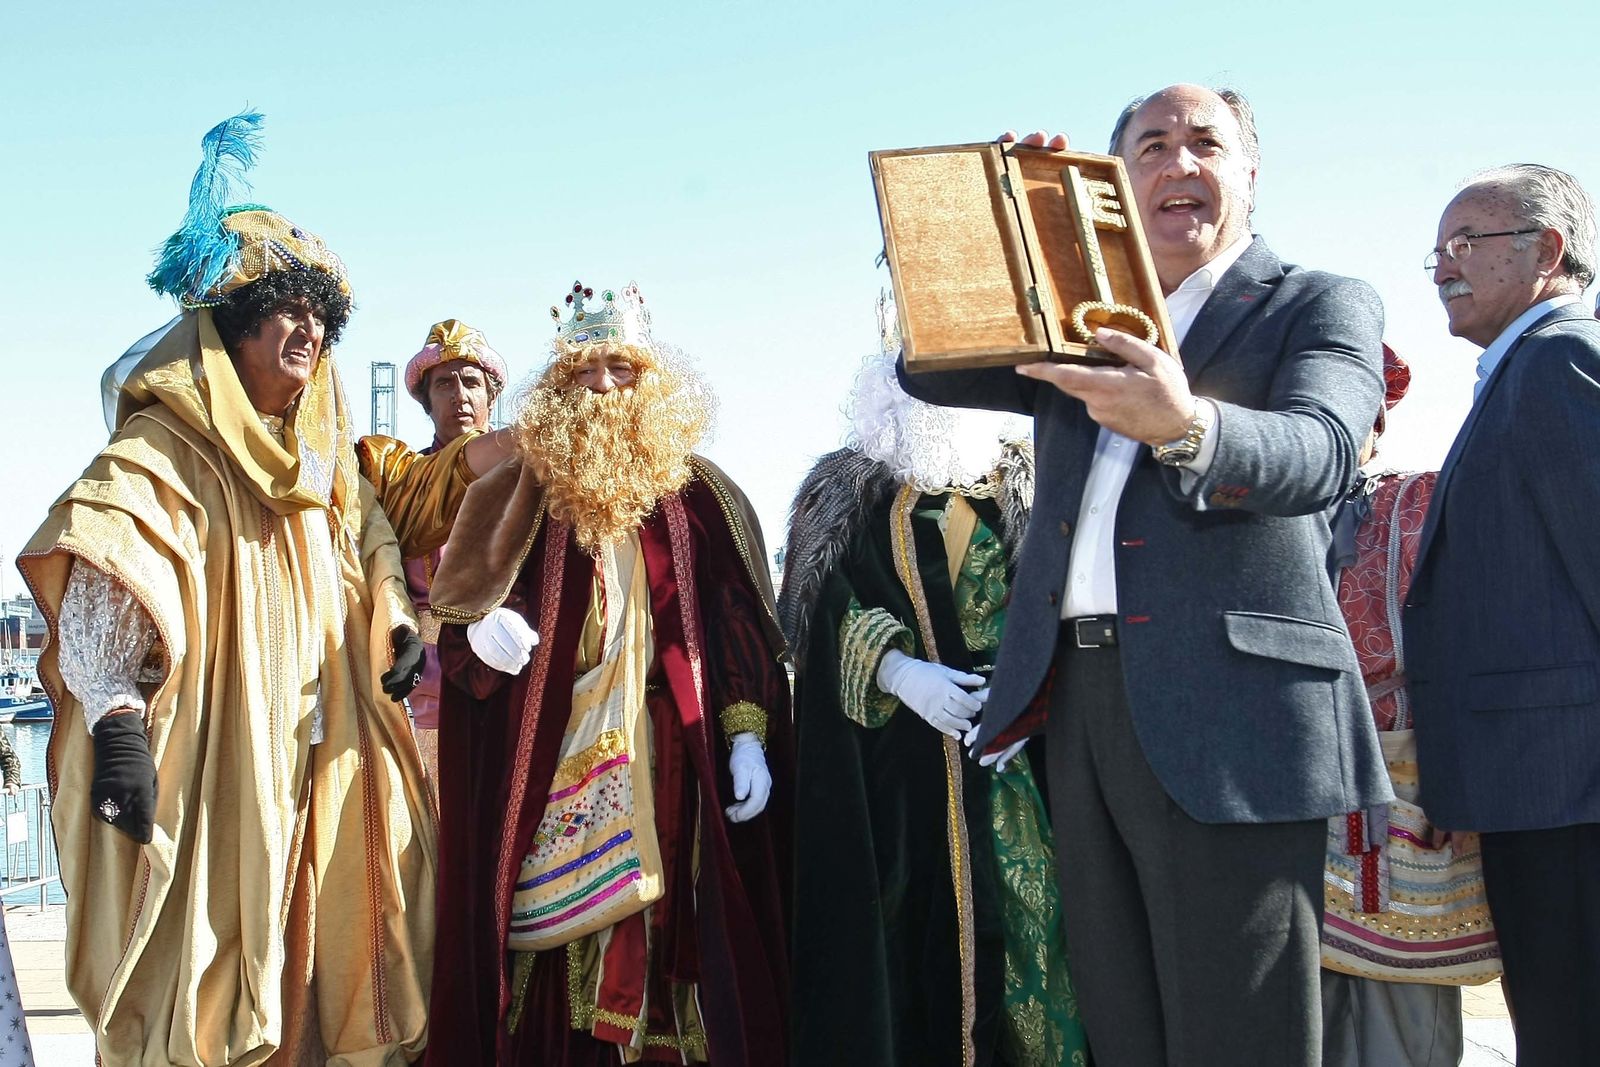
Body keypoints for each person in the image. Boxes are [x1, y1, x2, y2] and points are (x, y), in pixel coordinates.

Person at [897, 84, 1392, 1064]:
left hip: (1233, 718)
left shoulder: (1315, 301)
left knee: (1238, 1029)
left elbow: (1322, 450)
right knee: (1120, 1018)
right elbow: (931, 367)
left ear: (1249, 170)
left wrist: (1186, 423)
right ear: (1113, 186)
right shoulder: (1077, 318)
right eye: (1151, 146)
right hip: (1081, 699)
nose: (1180, 162)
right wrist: (992, 219)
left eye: (1205, 142)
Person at [17, 112, 436, 1066]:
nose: (311, 331)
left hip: (327, 750)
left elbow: (368, 535)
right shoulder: (166, 445)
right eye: (288, 309)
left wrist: (393, 619)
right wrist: (119, 722)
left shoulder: (322, 460)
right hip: (222, 761)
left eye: (322, 318)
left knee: (332, 963)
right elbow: (108, 570)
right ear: (235, 324)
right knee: (212, 974)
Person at [423, 282, 793, 1065]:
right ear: (558, 386)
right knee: (552, 961)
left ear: (649, 380)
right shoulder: (516, 488)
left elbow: (735, 629)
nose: (601, 386)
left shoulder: (704, 499)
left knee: (664, 947)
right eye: (583, 371)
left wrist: (745, 736)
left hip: (669, 761)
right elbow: (458, 611)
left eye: (619, 368)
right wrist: (477, 634)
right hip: (551, 765)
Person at [780, 305, 1088, 1067]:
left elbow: (1068, 603)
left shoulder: (1030, 479)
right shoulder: (844, 493)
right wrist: (896, 669)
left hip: (1017, 757)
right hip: (898, 775)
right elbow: (816, 610)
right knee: (905, 946)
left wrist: (1028, 698)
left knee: (1036, 932)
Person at [1405, 163, 1600, 1065]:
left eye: (1464, 243)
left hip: (1574, 791)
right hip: (1541, 788)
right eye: (1436, 250)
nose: (1442, 266)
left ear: (1547, 251)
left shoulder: (1562, 359)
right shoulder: (1519, 370)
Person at [1319, 346, 1501, 1066]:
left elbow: (1464, 649)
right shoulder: (1255, 511)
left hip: (1400, 787)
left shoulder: (1415, 502)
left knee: (1404, 1009)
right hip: (1285, 796)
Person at [358, 318, 514, 787]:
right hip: (414, 673)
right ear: (425, 401)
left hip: (505, 666)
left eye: (471, 383)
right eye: (444, 383)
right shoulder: (397, 479)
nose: (459, 395)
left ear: (491, 397)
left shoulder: (528, 485)